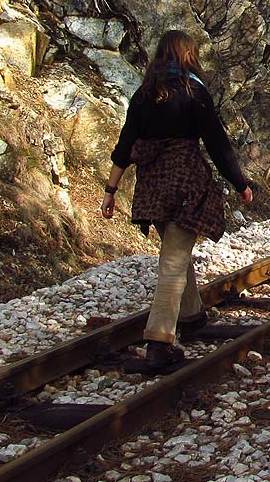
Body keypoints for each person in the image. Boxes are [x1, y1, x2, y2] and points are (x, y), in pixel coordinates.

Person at [102, 29, 255, 375]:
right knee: (173, 261)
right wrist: (240, 183)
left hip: (152, 186)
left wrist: (111, 190)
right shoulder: (193, 91)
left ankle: (191, 317)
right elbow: (217, 143)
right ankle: (158, 343)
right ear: (188, 55)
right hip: (185, 183)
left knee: (175, 250)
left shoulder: (144, 94)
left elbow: (125, 145)